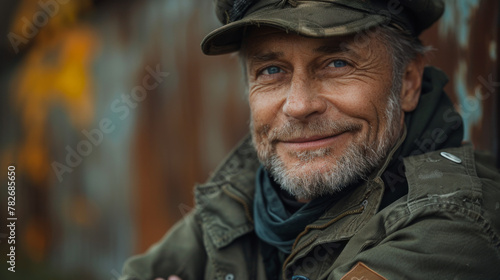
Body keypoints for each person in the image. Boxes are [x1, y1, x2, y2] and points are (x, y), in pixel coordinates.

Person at [120, 0, 500, 279]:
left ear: (408, 83)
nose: (299, 105)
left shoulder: (456, 219)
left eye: (338, 64)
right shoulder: (240, 198)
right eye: (271, 70)